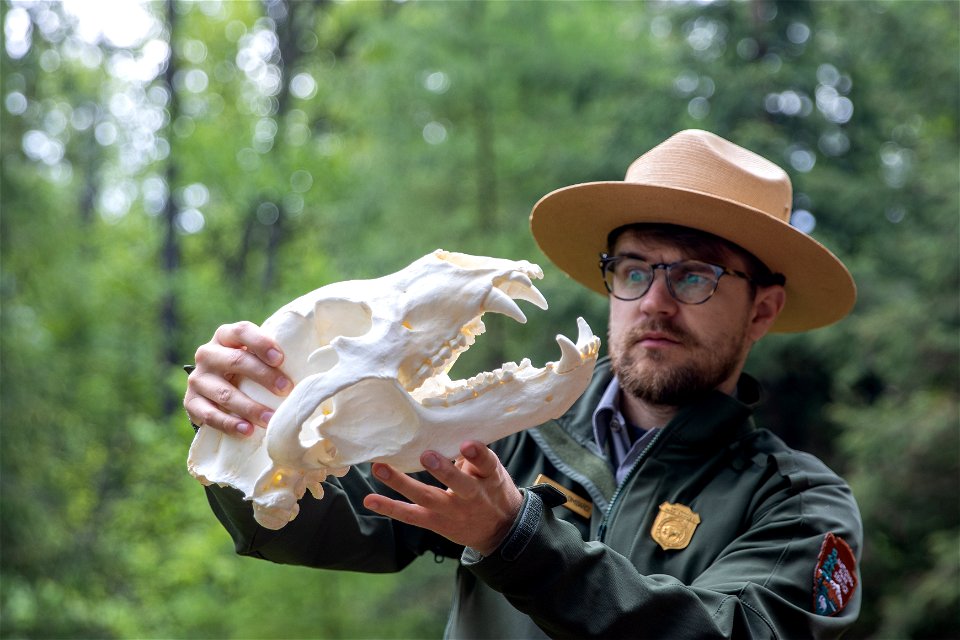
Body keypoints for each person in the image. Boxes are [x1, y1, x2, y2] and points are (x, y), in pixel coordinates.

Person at [184, 129, 862, 638]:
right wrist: (243, 423)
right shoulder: (502, 431)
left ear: (762, 310)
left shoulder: (798, 506)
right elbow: (306, 519)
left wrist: (516, 538)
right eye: (633, 270)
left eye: (694, 275)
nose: (654, 301)